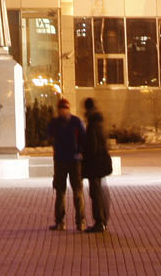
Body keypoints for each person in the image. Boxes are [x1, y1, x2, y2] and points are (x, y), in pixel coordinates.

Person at [46, 98, 85, 230]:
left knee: (73, 192)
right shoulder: (68, 122)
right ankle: (68, 222)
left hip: (70, 160)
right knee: (64, 192)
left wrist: (80, 152)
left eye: (65, 108)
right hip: (64, 160)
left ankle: (74, 222)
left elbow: (83, 139)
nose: (63, 111)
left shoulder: (74, 122)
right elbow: (49, 133)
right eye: (61, 108)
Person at [81, 97, 113, 232]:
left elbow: (91, 147)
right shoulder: (99, 123)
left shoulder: (92, 125)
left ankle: (99, 221)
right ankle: (102, 220)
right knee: (100, 191)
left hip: (94, 164)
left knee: (96, 193)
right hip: (100, 163)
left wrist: (84, 155)